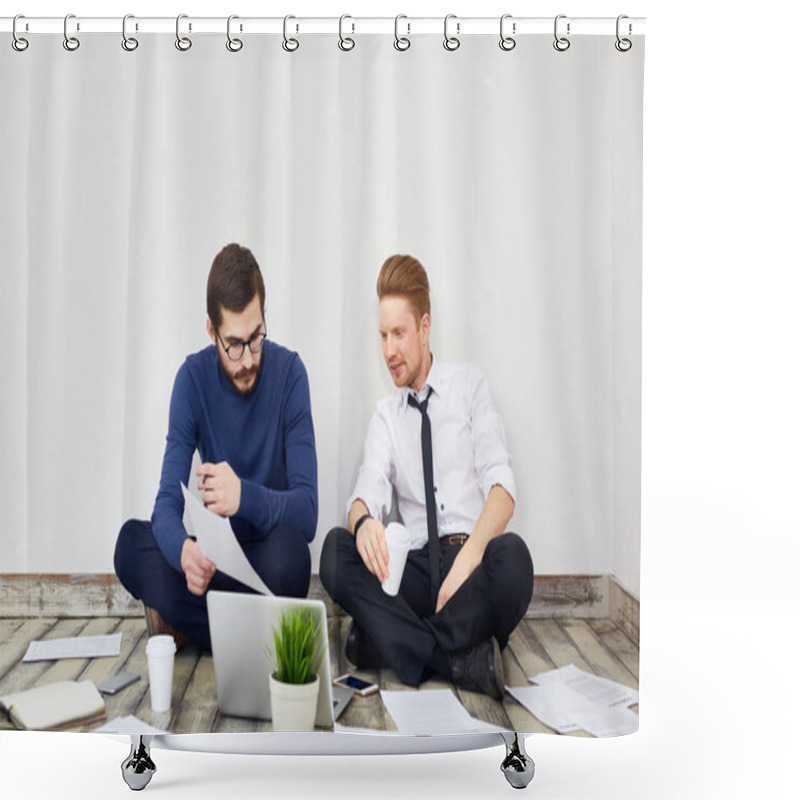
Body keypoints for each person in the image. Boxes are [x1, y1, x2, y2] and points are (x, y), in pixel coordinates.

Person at [320, 254, 533, 700]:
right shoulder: (386, 415)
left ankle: (386, 642)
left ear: (424, 327)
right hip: (415, 569)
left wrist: (471, 556)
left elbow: (502, 488)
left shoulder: (469, 385)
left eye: (398, 333)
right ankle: (457, 661)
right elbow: (365, 492)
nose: (388, 350)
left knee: (514, 560)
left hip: (471, 569)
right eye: (382, 336)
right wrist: (363, 526)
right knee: (335, 552)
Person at [115, 243, 318, 652]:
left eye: (256, 337)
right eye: (234, 344)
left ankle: (190, 624)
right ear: (212, 331)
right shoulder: (191, 380)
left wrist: (243, 496)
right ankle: (255, 634)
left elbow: (307, 512)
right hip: (214, 561)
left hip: (266, 561)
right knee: (130, 544)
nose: (247, 359)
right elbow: (166, 504)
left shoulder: (290, 373)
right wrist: (184, 553)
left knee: (294, 557)